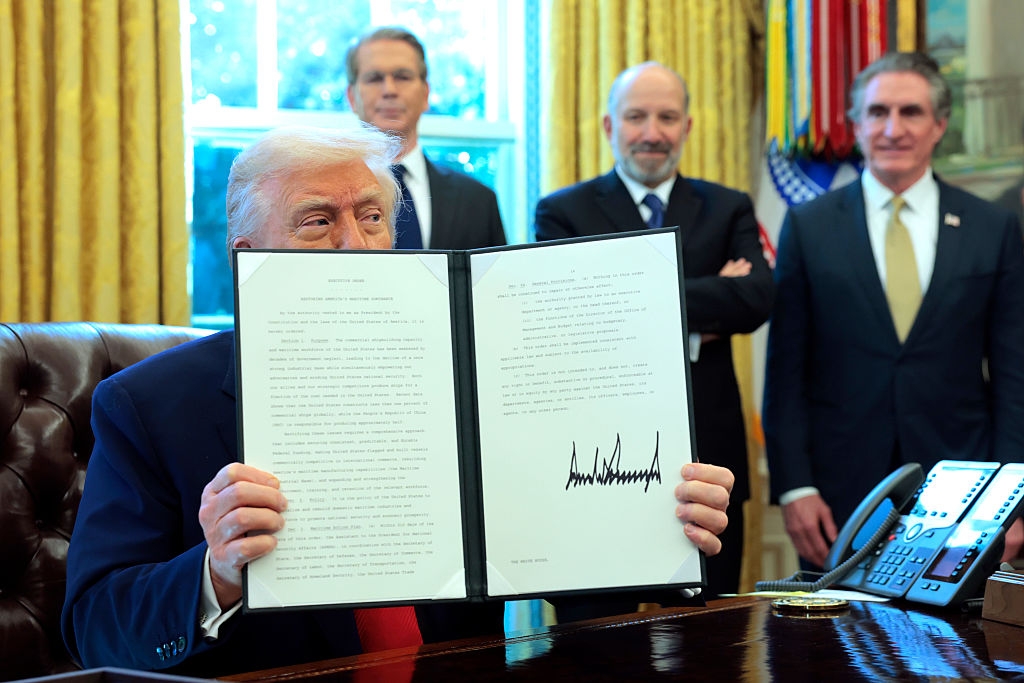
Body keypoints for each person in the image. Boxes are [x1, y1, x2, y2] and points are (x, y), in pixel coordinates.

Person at [61, 125, 737, 677]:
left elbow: (565, 575)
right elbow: (95, 628)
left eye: (373, 216)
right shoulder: (146, 405)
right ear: (246, 254)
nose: (355, 245)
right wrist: (217, 571)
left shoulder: (474, 376)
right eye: (317, 221)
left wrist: (650, 527)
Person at [763, 52, 1024, 571]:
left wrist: (1013, 500)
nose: (893, 128)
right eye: (878, 112)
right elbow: (785, 375)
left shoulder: (992, 227)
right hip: (837, 499)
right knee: (833, 649)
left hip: (966, 494)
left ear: (939, 125)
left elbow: (1016, 375)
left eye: (911, 112)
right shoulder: (809, 227)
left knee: (957, 652)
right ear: (855, 124)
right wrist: (795, 488)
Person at [534, 61, 774, 607]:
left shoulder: (728, 205)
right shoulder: (562, 213)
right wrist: (709, 294)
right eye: (636, 116)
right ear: (608, 126)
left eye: (667, 117)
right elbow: (568, 318)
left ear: (687, 126)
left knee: (710, 640)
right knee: (593, 644)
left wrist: (619, 298)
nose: (651, 132)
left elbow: (756, 300)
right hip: (592, 461)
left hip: (708, 459)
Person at [345, 26, 506, 250]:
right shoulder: (326, 197)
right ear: (352, 97)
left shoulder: (478, 201)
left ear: (426, 93)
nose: (389, 89)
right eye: (374, 78)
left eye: (402, 77)